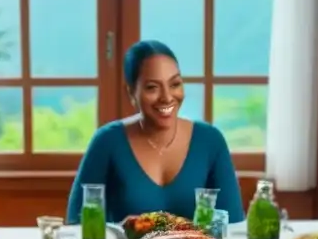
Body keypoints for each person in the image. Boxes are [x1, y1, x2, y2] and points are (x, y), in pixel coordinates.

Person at [66, 40, 245, 224]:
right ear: (131, 93)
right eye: (152, 87)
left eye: (175, 84)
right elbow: (76, 223)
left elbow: (233, 225)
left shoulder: (210, 141)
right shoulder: (107, 142)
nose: (167, 97)